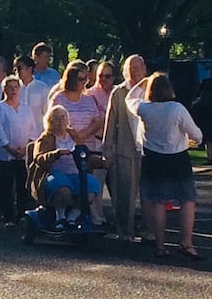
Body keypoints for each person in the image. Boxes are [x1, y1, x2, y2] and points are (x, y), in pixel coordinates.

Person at [126, 73, 205, 260]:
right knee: (187, 200)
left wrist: (141, 82)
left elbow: (129, 98)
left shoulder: (144, 108)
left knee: (158, 202)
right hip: (177, 158)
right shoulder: (177, 109)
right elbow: (197, 135)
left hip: (153, 159)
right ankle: (187, 242)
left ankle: (160, 246)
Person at [29, 105, 104, 230]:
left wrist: (102, 162)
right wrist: (56, 153)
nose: (61, 121)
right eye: (57, 118)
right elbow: (39, 158)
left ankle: (72, 218)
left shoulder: (73, 135)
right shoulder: (46, 138)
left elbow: (84, 154)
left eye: (63, 117)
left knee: (91, 187)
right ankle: (60, 217)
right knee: (63, 188)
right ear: (50, 121)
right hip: (54, 173)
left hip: (75, 172)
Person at [50, 61, 105, 226]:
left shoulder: (88, 100)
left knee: (88, 185)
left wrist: (83, 134)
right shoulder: (59, 98)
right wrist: (70, 135)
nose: (84, 83)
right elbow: (53, 120)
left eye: (86, 79)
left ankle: (76, 216)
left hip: (85, 146)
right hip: (64, 147)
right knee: (64, 187)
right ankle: (60, 215)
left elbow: (97, 120)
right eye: (81, 79)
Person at [102, 55, 148, 242]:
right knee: (124, 195)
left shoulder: (152, 88)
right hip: (125, 149)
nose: (134, 71)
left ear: (144, 68)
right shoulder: (119, 93)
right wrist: (107, 151)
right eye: (130, 68)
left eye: (137, 67)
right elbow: (110, 123)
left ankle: (148, 231)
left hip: (151, 150)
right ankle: (124, 232)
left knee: (150, 195)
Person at [0, 76, 36, 228]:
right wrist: (10, 148)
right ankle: (8, 216)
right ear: (4, 90)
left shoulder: (26, 108)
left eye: (15, 87)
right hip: (5, 155)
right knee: (6, 186)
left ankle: (22, 215)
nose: (13, 90)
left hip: (23, 154)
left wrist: (26, 148)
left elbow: (32, 129)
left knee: (23, 186)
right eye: (9, 87)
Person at [14, 55, 49, 142]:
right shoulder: (13, 88)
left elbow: (46, 113)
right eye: (15, 69)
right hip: (16, 137)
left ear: (29, 69)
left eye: (19, 68)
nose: (17, 72)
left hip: (37, 136)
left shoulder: (42, 88)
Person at [190, 76, 212, 164]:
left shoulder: (206, 82)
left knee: (208, 135)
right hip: (207, 110)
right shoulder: (206, 82)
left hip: (206, 110)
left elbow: (198, 95)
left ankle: (210, 157)